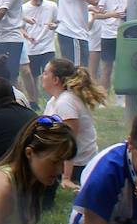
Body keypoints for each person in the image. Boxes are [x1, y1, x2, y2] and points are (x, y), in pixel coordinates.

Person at [41, 58, 102, 195]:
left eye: (45, 73)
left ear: (56, 80)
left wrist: (66, 178)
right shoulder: (54, 101)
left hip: (77, 166)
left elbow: (69, 141)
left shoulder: (65, 103)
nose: (42, 76)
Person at [87, 0, 126, 94]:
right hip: (108, 34)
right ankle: (104, 96)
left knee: (122, 67)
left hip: (124, 34)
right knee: (107, 68)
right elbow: (97, 15)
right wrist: (112, 15)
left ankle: (121, 96)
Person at [22, 0, 57, 108]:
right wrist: (27, 36)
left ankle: (51, 101)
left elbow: (57, 22)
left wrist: (54, 26)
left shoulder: (52, 6)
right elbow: (20, 27)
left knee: (50, 74)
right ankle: (34, 102)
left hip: (47, 46)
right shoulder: (24, 8)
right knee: (33, 76)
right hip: (31, 47)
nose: (38, 1)